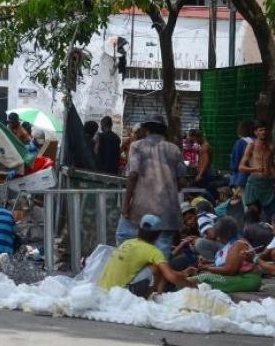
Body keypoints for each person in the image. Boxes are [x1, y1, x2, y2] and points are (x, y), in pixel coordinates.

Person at [117, 114, 186, 258]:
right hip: (168, 211)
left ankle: (133, 276)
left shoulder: (137, 146)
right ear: (163, 130)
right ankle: (158, 279)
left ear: (146, 129)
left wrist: (126, 204)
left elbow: (133, 174)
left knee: (124, 239)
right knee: (161, 253)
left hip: (141, 208)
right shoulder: (175, 149)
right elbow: (181, 181)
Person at [99, 214, 196, 297]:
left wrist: (183, 273)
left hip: (105, 291)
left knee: (158, 267)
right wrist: (191, 285)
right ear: (158, 235)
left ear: (139, 230)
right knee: (157, 268)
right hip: (122, 295)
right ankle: (156, 295)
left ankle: (158, 294)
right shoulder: (152, 251)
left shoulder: (127, 243)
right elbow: (171, 276)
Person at [191, 216, 261, 293]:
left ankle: (179, 282)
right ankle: (180, 281)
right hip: (240, 278)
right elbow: (227, 263)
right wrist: (208, 263)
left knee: (205, 278)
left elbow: (229, 270)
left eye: (219, 235)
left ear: (225, 234)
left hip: (248, 280)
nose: (218, 239)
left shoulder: (238, 244)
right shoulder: (232, 243)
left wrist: (207, 268)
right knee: (204, 277)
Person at [239, 120, 275, 221]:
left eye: (265, 130)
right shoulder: (251, 146)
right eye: (261, 130)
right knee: (252, 215)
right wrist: (255, 169)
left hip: (268, 185)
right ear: (256, 132)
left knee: (272, 215)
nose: (263, 132)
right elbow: (241, 167)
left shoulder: (270, 147)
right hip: (254, 184)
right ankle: (249, 234)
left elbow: (271, 166)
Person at [229, 120, 254, 188]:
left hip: (243, 178)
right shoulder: (258, 142)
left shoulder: (240, 143)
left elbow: (235, 164)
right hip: (257, 177)